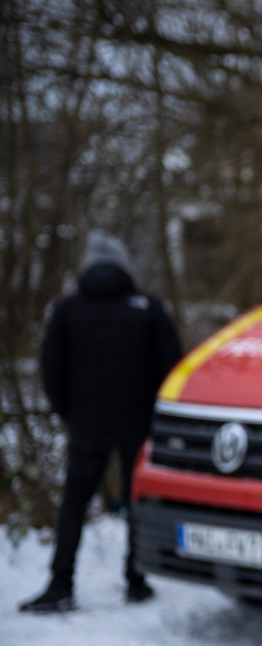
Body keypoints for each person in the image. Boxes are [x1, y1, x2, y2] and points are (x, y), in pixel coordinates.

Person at [19, 230, 183, 613]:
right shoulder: (148, 308)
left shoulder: (68, 309)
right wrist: (156, 418)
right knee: (136, 501)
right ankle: (136, 580)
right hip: (139, 425)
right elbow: (173, 368)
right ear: (125, 266)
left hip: (87, 424)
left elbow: (51, 370)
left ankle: (60, 584)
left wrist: (70, 414)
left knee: (74, 503)